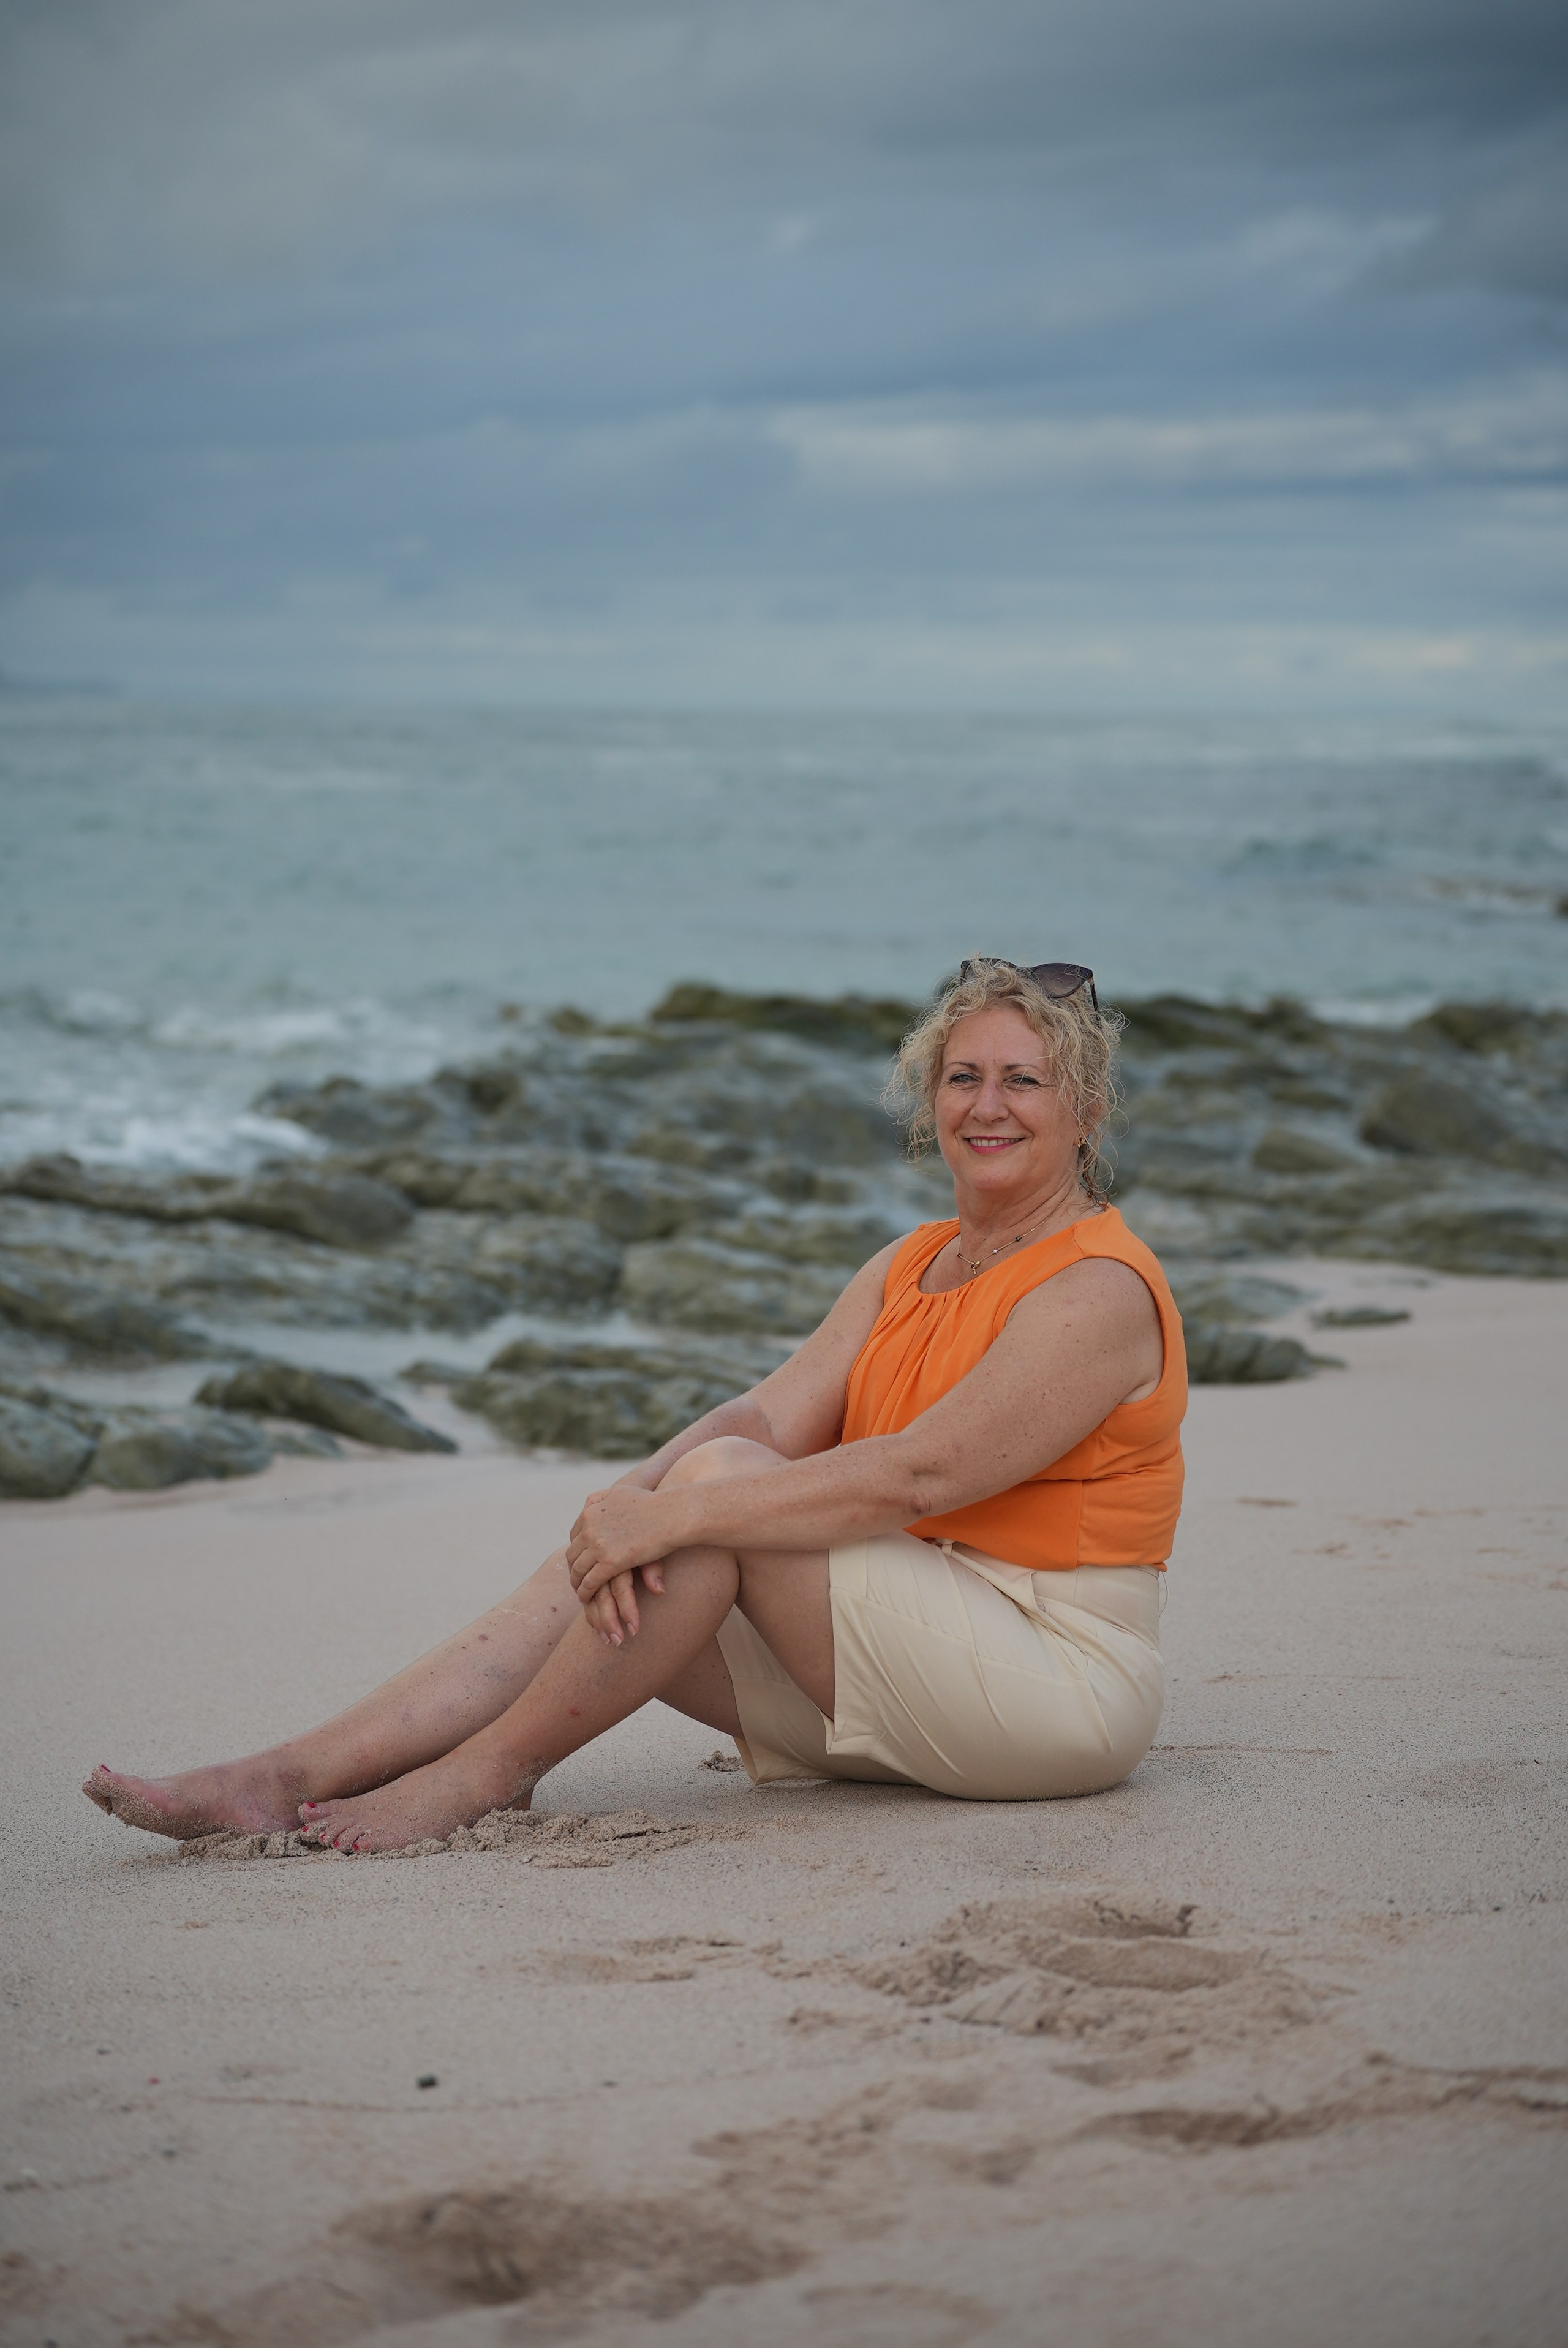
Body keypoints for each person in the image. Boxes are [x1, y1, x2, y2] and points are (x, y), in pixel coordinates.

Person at [84, 957, 1185, 1854]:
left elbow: (921, 1475)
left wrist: (674, 1508)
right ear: (928, 1095)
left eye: (1023, 1081)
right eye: (962, 1077)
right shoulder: (915, 1262)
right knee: (658, 1524)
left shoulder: (1094, 1286)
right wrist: (622, 1504)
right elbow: (761, 1419)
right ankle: (286, 1773)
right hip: (906, 1653)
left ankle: (485, 1775)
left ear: (1082, 1108)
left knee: (701, 1511)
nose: (986, 1106)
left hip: (1052, 1687)